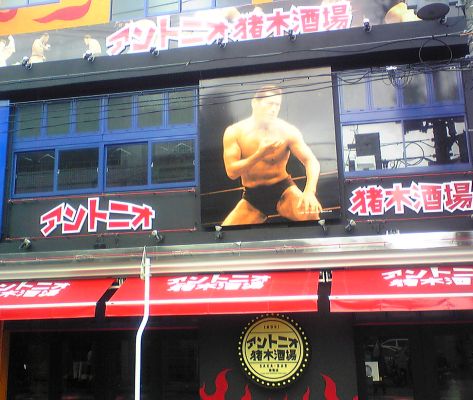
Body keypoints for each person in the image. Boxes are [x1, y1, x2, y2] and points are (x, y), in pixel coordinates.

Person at [221, 85, 322, 226]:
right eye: (269, 104)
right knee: (226, 231)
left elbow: (311, 160)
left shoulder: (287, 130)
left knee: (311, 214)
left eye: (277, 105)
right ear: (255, 103)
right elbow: (232, 172)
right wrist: (260, 154)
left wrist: (309, 191)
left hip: (283, 189)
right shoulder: (235, 132)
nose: (274, 109)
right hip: (253, 196)